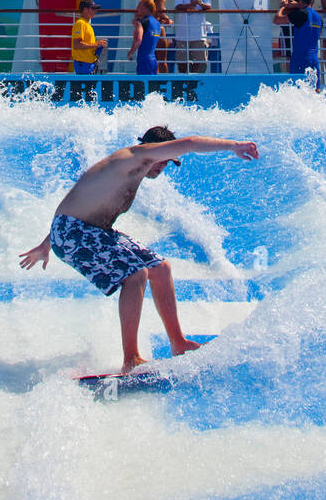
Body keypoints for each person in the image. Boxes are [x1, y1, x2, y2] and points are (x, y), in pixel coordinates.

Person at [19, 126, 260, 374]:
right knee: (136, 274)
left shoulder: (128, 170)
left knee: (160, 268)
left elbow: (82, 202)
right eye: (164, 160)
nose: (163, 167)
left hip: (84, 230)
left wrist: (46, 243)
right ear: (153, 149)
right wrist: (234, 146)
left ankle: (178, 343)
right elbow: (190, 143)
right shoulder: (134, 156)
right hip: (75, 232)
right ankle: (131, 359)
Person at [274, 0, 323, 87]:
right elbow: (319, 34)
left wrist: (283, 7)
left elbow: (277, 20)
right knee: (316, 90)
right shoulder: (319, 18)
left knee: (296, 89)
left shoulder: (301, 14)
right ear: (312, 0)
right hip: (314, 59)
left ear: (300, 0)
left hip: (300, 58)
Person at [173, 0, 212, 72]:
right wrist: (191, 5)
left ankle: (195, 82)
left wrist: (201, 4)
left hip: (198, 35)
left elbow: (208, 7)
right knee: (182, 63)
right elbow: (178, 6)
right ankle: (183, 82)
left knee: (199, 63)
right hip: (182, 35)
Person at [279, 0, 317, 68]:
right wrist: (291, 4)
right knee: (289, 53)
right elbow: (284, 3)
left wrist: (293, 4)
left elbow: (309, 5)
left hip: (305, 23)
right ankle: (290, 75)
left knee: (306, 51)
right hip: (291, 22)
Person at [127, 0, 163, 75]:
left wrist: (131, 52)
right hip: (153, 59)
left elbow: (138, 39)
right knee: (153, 85)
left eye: (140, 6)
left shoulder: (142, 22)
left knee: (142, 85)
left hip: (144, 59)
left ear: (144, 7)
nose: (138, 8)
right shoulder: (157, 23)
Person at [72, 0, 107, 74]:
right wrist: (96, 44)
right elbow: (77, 44)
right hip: (83, 64)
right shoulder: (80, 23)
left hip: (88, 64)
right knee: (85, 85)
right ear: (85, 9)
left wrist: (98, 46)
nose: (95, 11)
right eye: (93, 9)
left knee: (89, 85)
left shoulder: (87, 24)